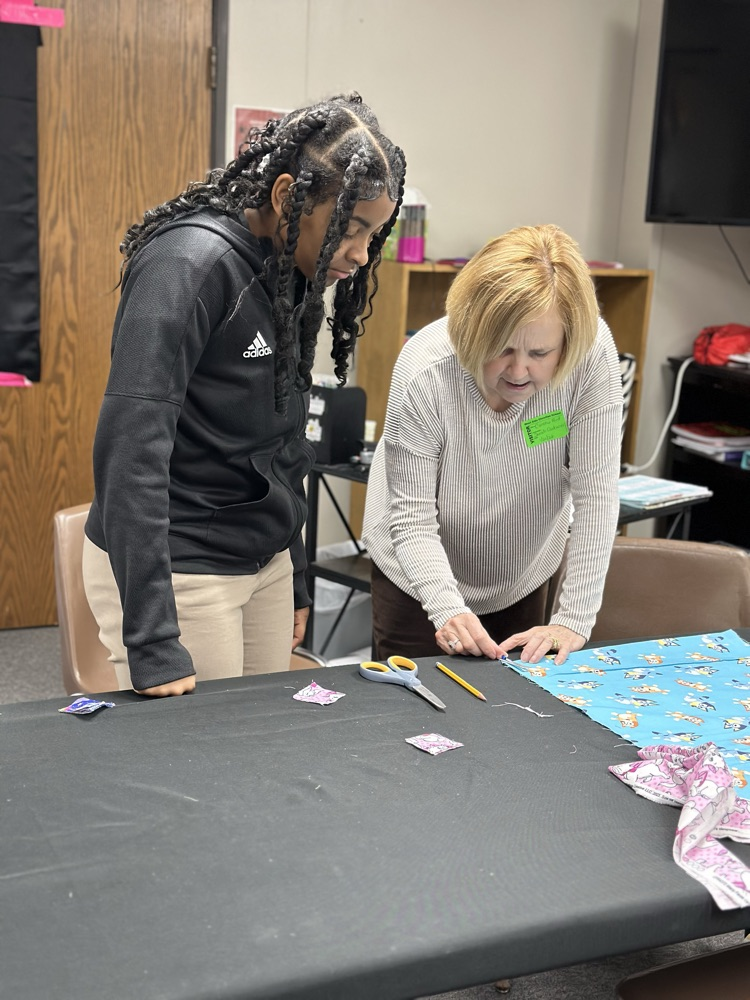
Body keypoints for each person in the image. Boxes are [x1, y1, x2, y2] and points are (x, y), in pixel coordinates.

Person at [82, 92, 405, 697]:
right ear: (288, 197)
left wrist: (297, 573)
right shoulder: (190, 266)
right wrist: (152, 638)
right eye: (352, 229)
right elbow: (131, 453)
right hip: (182, 565)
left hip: (262, 563)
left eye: (374, 235)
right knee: (196, 773)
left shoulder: (292, 271)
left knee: (254, 757)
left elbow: (282, 439)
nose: (361, 256)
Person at [362, 224, 623, 667]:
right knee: (410, 719)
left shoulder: (590, 355)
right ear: (472, 329)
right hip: (415, 574)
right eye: (502, 349)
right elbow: (412, 520)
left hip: (524, 572)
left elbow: (596, 495)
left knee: (512, 716)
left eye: (540, 354)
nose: (519, 371)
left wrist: (574, 618)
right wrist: (447, 609)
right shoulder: (428, 371)